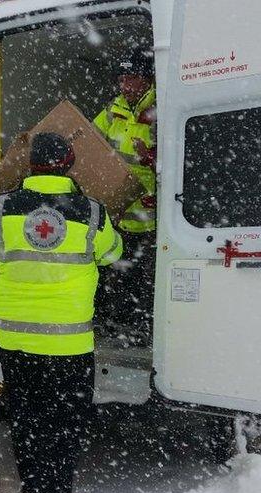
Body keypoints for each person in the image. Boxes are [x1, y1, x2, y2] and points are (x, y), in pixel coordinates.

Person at [0, 132, 122, 493]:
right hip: (68, 346)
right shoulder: (91, 213)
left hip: (17, 342)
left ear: (30, 164)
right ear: (69, 164)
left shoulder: (0, 209)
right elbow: (112, 253)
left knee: (29, 430)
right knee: (62, 433)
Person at [93, 47, 157, 344]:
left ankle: (143, 329)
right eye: (122, 80)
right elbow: (88, 141)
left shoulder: (161, 108)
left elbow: (186, 158)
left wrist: (152, 158)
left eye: (130, 79)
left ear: (145, 80)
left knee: (147, 281)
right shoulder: (112, 111)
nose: (124, 86)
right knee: (115, 275)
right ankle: (114, 324)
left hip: (152, 219)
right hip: (117, 214)